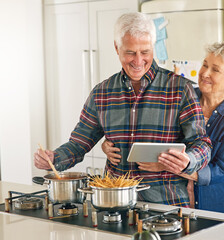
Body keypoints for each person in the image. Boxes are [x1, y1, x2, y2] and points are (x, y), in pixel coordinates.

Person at [34, 12, 212, 207]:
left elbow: (202, 143)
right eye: (130, 52)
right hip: (113, 205)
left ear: (153, 47)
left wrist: (188, 160)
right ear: (116, 47)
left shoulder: (179, 89)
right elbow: (78, 143)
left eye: (144, 52)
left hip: (167, 205)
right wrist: (54, 158)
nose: (138, 61)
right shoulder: (102, 93)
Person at [102, 40, 224, 215]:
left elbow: (222, 170)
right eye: (205, 65)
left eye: (215, 69)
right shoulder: (182, 95)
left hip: (218, 206)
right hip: (176, 203)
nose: (204, 73)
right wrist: (111, 144)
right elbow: (146, 133)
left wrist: (168, 166)